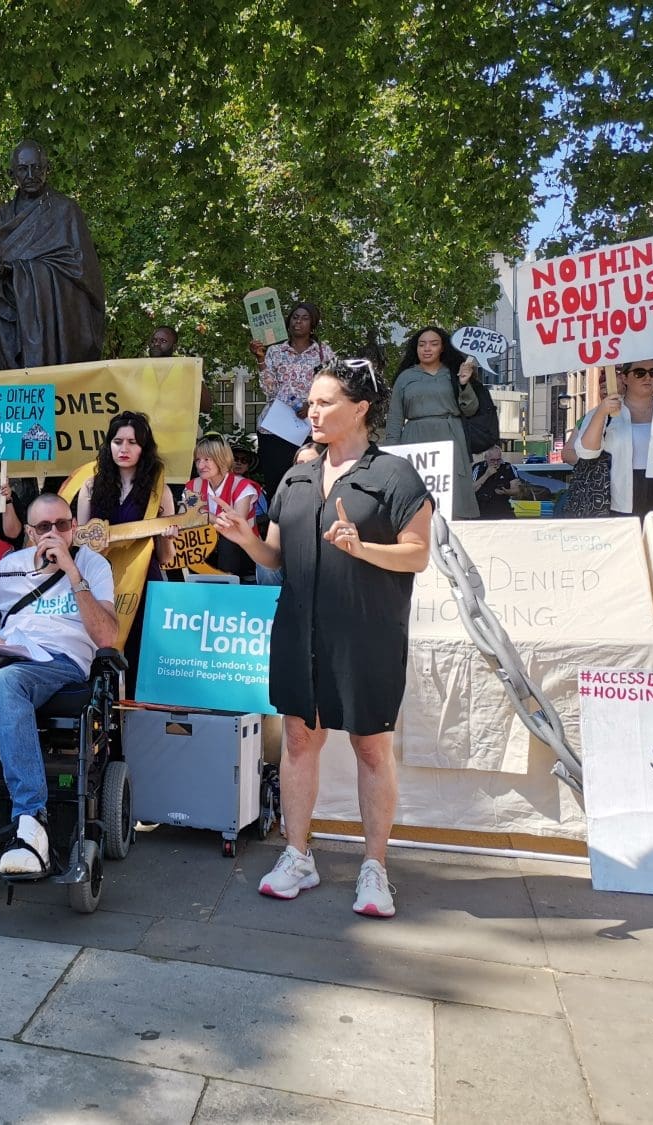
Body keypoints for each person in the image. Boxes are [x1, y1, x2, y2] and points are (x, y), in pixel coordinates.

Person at [215, 360, 432, 919]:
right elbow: (277, 557)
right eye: (309, 402)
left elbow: (418, 554)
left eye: (324, 402)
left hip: (367, 635)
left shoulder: (395, 476)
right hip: (298, 629)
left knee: (369, 746)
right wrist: (244, 538)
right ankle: (297, 855)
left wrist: (364, 549)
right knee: (298, 740)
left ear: (359, 409)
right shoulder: (296, 476)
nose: (311, 411)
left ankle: (375, 868)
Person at [0, 494, 117, 874]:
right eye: (44, 527)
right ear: (29, 533)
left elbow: (108, 636)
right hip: (10, 651)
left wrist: (72, 574)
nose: (54, 534)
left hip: (60, 661)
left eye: (62, 525)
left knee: (6, 681)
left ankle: (32, 822)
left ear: (73, 527)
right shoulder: (9, 566)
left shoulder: (93, 565)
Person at [0, 139, 105, 369]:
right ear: (11, 174)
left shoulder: (66, 211)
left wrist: (18, 270)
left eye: (37, 167)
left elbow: (82, 271)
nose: (30, 175)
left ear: (48, 169)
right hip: (12, 321)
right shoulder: (0, 219)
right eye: (22, 169)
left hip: (55, 325)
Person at [68, 411, 176, 671]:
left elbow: (166, 558)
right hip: (99, 581)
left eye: (132, 442)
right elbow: (82, 545)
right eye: (118, 441)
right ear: (109, 445)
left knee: (141, 652)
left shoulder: (160, 491)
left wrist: (167, 538)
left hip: (143, 582)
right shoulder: (90, 486)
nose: (124, 448)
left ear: (144, 448)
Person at [384, 326, 480, 519]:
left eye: (433, 344)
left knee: (453, 493)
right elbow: (395, 418)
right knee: (415, 489)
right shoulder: (405, 377)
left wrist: (463, 383)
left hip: (450, 437)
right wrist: (392, 452)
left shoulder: (453, 373)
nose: (427, 348)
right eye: (422, 344)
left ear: (442, 348)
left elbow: (470, 409)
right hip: (414, 440)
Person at [571, 359, 653, 516]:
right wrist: (601, 412)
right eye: (639, 373)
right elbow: (586, 452)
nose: (647, 378)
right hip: (620, 496)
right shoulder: (605, 413)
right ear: (624, 378)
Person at [251, 302, 334, 499]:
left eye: (305, 318)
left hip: (309, 428)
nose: (299, 322)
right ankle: (277, 527)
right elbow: (268, 389)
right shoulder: (275, 352)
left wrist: (312, 403)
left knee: (311, 482)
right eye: (295, 317)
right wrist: (261, 360)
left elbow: (332, 386)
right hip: (275, 428)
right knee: (277, 483)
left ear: (312, 325)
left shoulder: (324, 352)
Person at [186, 434, 263, 577]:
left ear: (222, 460)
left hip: (242, 552)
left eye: (207, 460)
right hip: (207, 549)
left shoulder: (242, 486)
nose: (200, 465)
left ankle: (227, 588)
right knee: (183, 537)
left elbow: (236, 524)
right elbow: (185, 519)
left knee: (228, 539)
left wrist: (205, 516)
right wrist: (213, 519)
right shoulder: (193, 485)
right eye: (198, 460)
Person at [471, 446, 519, 520]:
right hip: (482, 511)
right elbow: (471, 490)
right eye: (492, 460)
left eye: (498, 460)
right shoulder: (478, 468)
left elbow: (516, 489)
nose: (496, 463)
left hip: (503, 510)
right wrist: (486, 475)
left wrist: (507, 492)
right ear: (486, 458)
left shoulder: (508, 467)